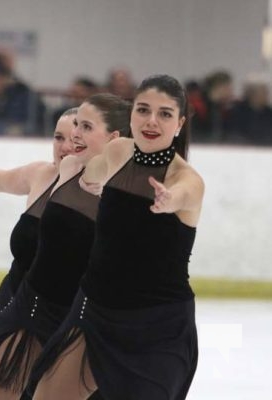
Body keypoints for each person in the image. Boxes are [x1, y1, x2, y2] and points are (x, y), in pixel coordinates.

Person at [30, 74, 205, 400]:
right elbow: (94, 169)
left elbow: (184, 194)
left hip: (156, 326)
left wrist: (169, 199)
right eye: (143, 110)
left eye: (165, 114)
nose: (151, 121)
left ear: (180, 123)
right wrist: (88, 179)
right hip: (95, 311)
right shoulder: (119, 151)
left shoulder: (187, 179)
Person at [0, 93, 131, 400]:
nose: (68, 141)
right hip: (24, 306)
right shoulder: (46, 174)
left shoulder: (120, 196)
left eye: (83, 128)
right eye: (60, 135)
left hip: (80, 320)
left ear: (113, 138)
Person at [0, 107, 77, 338]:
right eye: (58, 138)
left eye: (74, 139)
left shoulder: (100, 192)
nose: (64, 147)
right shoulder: (40, 174)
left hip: (60, 309)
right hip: (14, 295)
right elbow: (0, 179)